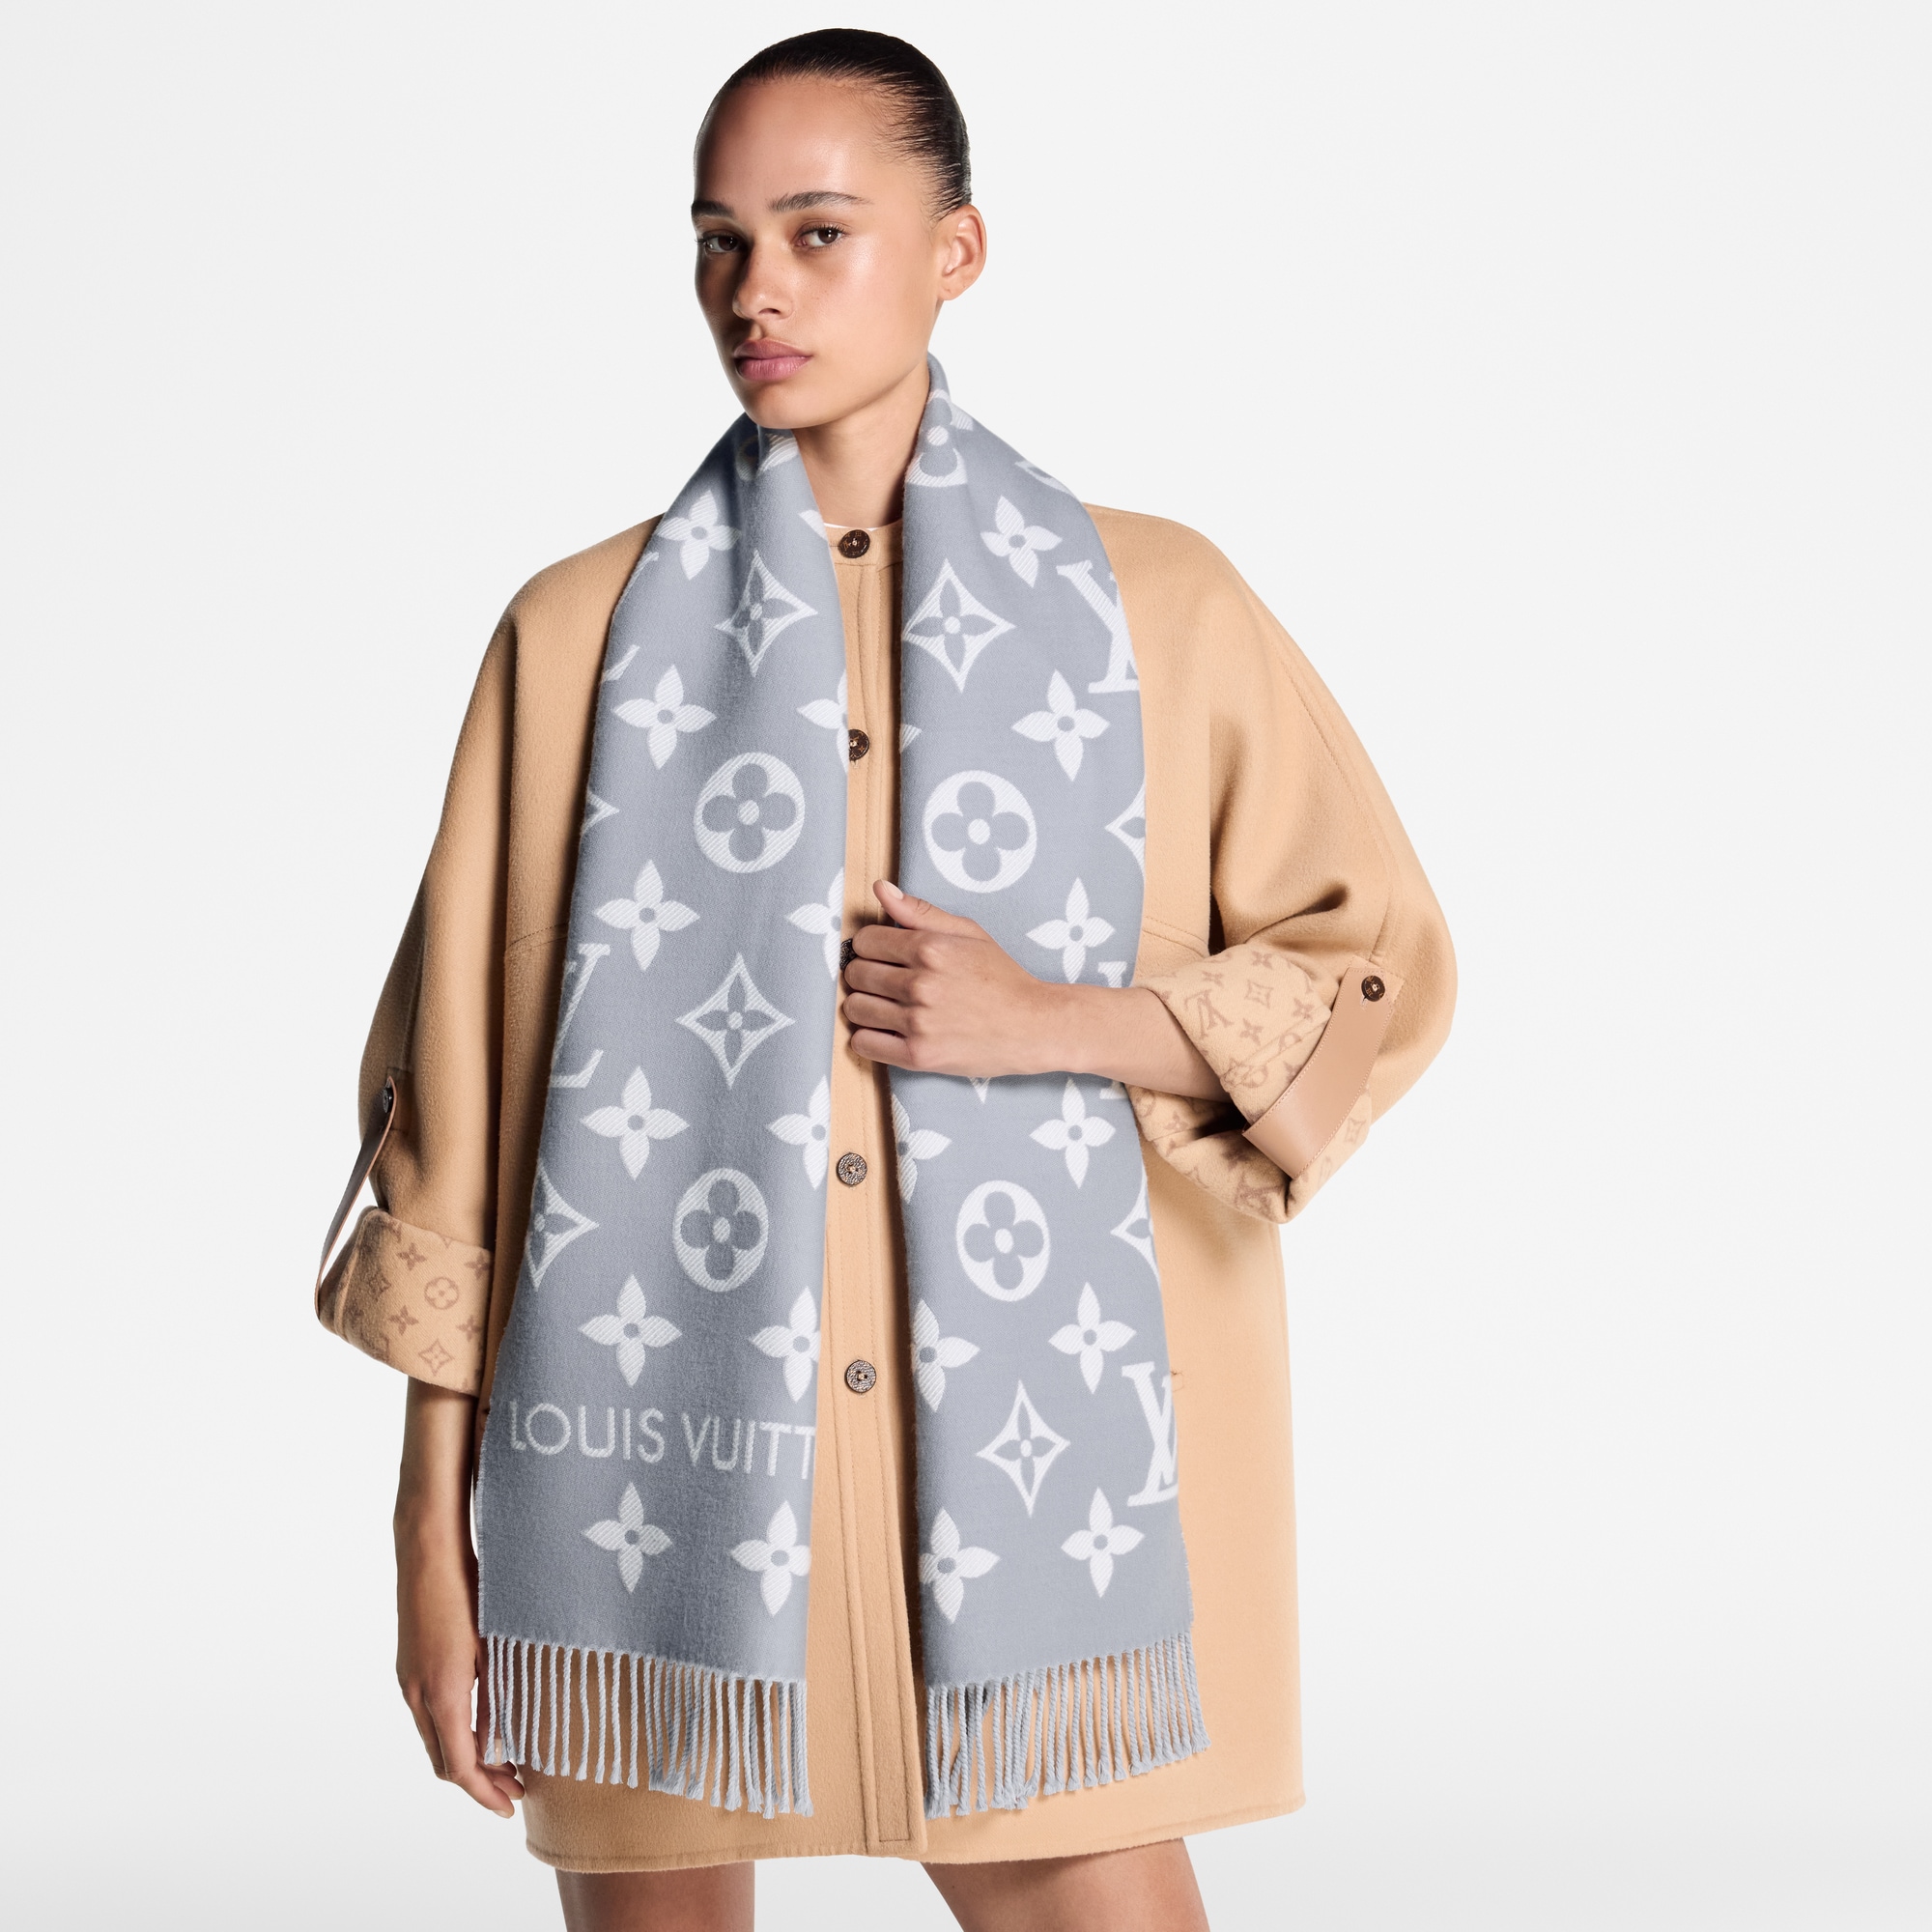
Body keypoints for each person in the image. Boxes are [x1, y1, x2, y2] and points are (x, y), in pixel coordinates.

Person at [314, 29, 1454, 1932]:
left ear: (956, 251)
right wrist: (432, 1535)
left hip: (1033, 1509)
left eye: (818, 231)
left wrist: (1066, 1023)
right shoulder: (574, 637)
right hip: (646, 1506)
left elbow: (1377, 968)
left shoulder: (1157, 609)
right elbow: (466, 1108)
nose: (754, 291)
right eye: (719, 240)